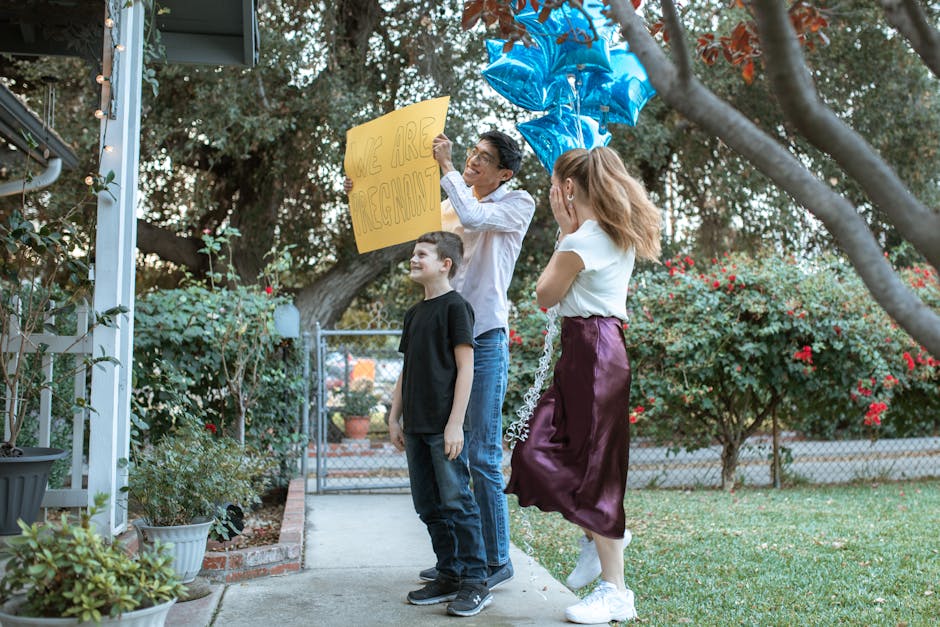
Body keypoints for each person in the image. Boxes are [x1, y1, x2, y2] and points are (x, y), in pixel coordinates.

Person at [504, 146, 662, 624]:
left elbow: (543, 295)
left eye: (555, 183)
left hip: (593, 350)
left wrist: (564, 230)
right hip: (591, 350)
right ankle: (601, 528)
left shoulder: (585, 239)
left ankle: (616, 589)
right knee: (540, 452)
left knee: (594, 467)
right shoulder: (613, 232)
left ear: (567, 188)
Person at [426, 130, 535, 588]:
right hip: (445, 340)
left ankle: (496, 560)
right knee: (444, 453)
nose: (472, 160)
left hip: (486, 340)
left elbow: (473, 214)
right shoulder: (452, 202)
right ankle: (456, 560)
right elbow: (422, 247)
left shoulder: (518, 203)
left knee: (483, 455)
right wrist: (362, 198)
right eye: (471, 152)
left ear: (504, 173)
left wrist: (446, 165)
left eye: (483, 158)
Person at [387, 231, 492, 618]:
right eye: (413, 254)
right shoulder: (414, 314)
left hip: (441, 427)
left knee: (457, 503)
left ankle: (476, 581)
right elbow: (406, 369)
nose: (413, 260)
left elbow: (466, 369)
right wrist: (393, 416)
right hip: (414, 427)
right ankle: (447, 574)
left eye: (421, 255)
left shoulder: (456, 308)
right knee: (428, 505)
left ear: (444, 264)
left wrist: (454, 425)